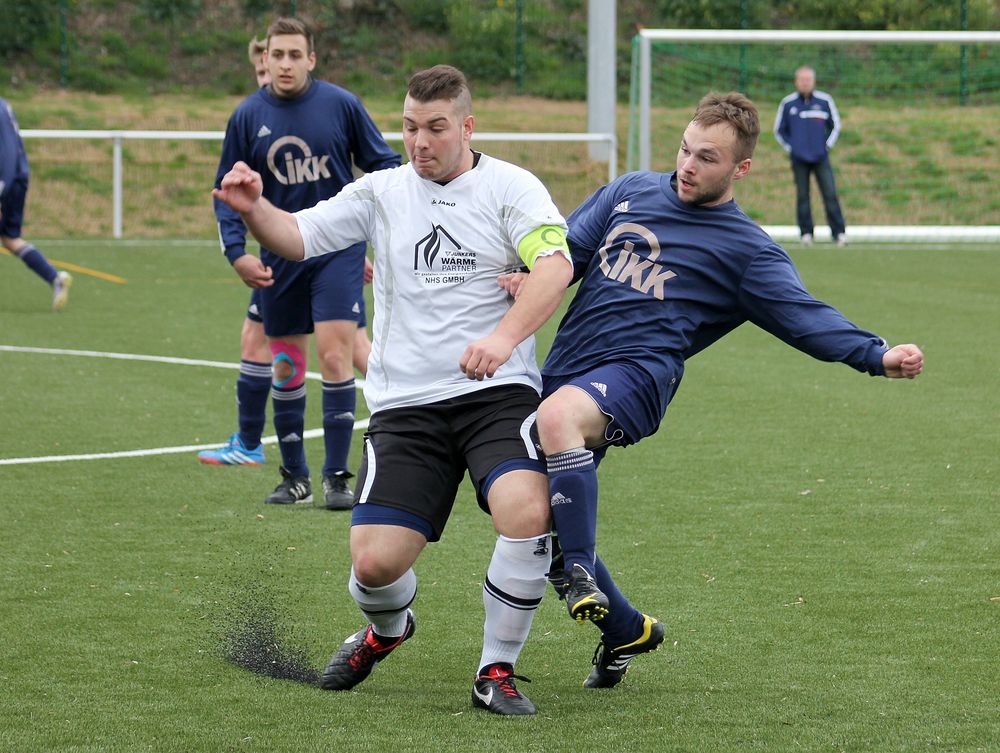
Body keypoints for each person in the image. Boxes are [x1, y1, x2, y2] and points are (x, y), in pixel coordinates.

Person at [501, 91, 924, 690]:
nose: (687, 166)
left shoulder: (746, 250)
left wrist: (876, 354)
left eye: (706, 158)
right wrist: (528, 274)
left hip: (639, 376)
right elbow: (566, 252)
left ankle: (579, 574)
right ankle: (626, 628)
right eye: (683, 150)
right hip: (567, 367)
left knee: (559, 423)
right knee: (524, 512)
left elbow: (803, 316)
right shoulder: (628, 191)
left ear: (740, 168)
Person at [214, 64, 574, 716]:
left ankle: (497, 669)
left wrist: (502, 338)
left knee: (526, 510)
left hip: (497, 393)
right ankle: (387, 631)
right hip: (407, 404)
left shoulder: (511, 187)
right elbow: (297, 236)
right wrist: (255, 208)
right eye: (409, 127)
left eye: (435, 128)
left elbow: (554, 263)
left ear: (466, 125)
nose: (420, 142)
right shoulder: (380, 192)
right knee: (375, 565)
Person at [201, 17, 401, 511]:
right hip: (280, 253)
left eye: (295, 55)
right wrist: (237, 253)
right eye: (277, 55)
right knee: (287, 364)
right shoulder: (247, 116)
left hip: (337, 250)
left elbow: (384, 165)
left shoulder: (341, 105)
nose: (285, 63)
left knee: (335, 355)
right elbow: (227, 191)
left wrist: (386, 229)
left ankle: (337, 477)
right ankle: (295, 477)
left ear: (311, 59)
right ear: (263, 60)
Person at [0, 96, 72, 311]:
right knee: (11, 239)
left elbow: (6, 155)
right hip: (17, 177)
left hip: (7, 181)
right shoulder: (3, 104)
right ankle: (55, 277)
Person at [774, 66, 848, 246]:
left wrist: (826, 146)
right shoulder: (788, 103)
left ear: (813, 81)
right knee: (803, 196)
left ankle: (839, 233)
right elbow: (779, 130)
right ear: (796, 81)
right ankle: (806, 234)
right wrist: (793, 148)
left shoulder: (824, 101)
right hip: (799, 159)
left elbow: (835, 125)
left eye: (808, 80)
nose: (805, 83)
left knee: (830, 193)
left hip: (821, 157)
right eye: (802, 80)